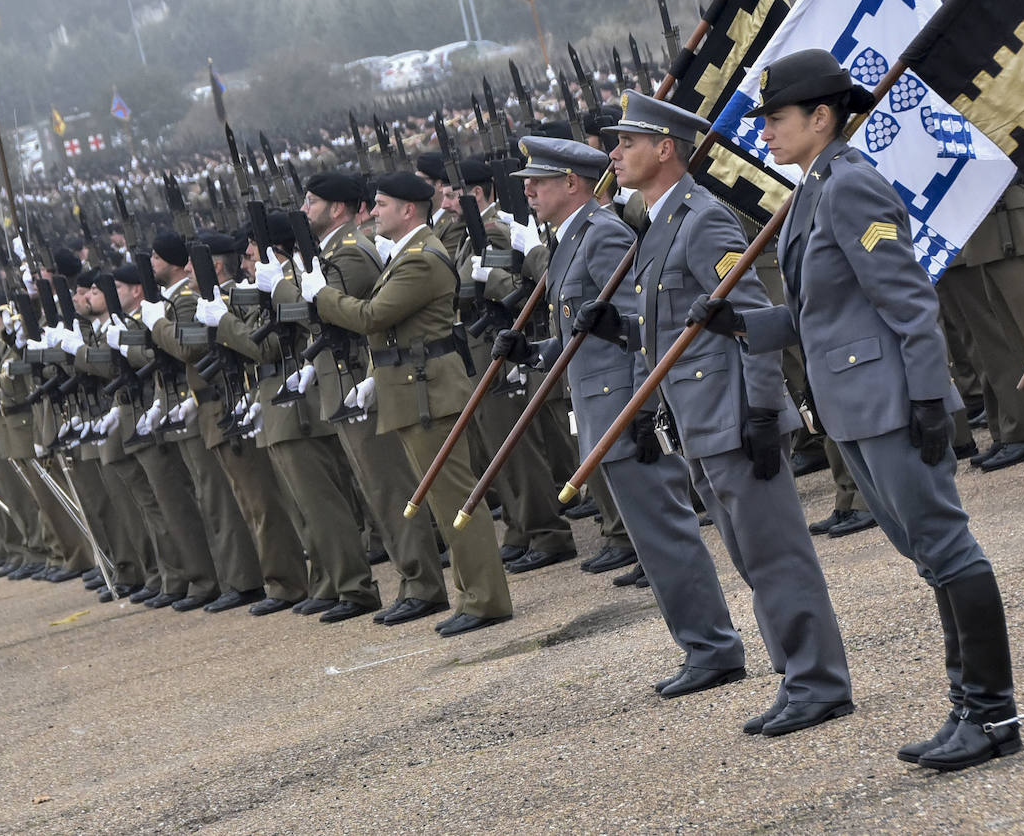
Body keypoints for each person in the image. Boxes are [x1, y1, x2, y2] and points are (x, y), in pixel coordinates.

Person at [689, 48, 1022, 770]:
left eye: (776, 118)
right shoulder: (814, 188)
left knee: (947, 549)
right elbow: (825, 312)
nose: (764, 133)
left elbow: (908, 302)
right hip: (856, 407)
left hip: (891, 403)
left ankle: (993, 713)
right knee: (929, 557)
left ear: (821, 116)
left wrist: (930, 399)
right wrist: (744, 325)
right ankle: (968, 706)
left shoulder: (849, 186)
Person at [583, 90, 853, 735]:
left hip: (734, 415)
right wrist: (620, 331)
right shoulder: (659, 223)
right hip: (699, 420)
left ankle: (819, 682)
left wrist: (762, 409)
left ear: (664, 149)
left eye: (627, 142)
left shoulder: (702, 219)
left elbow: (750, 319)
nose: (615, 154)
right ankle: (797, 677)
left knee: (777, 557)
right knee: (753, 561)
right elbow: (677, 328)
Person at [491, 135, 746, 694]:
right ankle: (703, 647)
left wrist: (644, 409)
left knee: (665, 536)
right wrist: (532, 354)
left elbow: (641, 330)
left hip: (624, 411)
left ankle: (713, 648)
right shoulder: (571, 238)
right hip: (603, 408)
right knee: (653, 541)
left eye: (539, 181)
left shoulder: (602, 234)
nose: (528, 191)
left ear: (572, 183)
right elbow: (585, 337)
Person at [302, 171, 513, 637]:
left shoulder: (420, 258)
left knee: (457, 500)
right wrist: (374, 376)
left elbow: (373, 316)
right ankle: (472, 595)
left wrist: (323, 296)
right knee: (444, 502)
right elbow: (393, 330)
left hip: (428, 392)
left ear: (408, 209)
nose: (373, 212)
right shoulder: (408, 254)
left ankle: (486, 599)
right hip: (415, 389)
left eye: (381, 205)